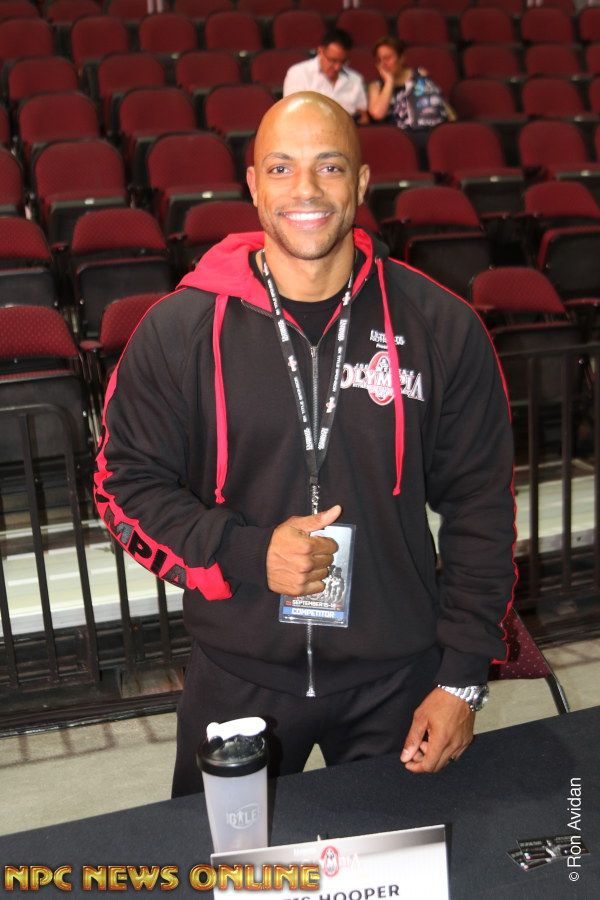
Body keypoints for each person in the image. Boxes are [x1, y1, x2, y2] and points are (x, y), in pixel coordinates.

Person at [94, 93, 515, 797]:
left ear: (362, 181)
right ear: (254, 185)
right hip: (238, 676)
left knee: (411, 855)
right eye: (282, 168)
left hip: (399, 678)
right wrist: (244, 552)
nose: (307, 190)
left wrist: (463, 679)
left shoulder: (441, 327)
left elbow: (481, 508)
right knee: (228, 860)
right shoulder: (179, 331)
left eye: (330, 166)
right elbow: (121, 485)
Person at [368, 37, 456, 162]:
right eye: (379, 60)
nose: (383, 64)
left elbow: (440, 103)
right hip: (406, 140)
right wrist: (389, 81)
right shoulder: (376, 86)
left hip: (437, 132)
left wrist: (453, 124)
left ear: (401, 58)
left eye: (387, 58)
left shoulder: (421, 75)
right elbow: (377, 113)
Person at [283, 28, 369, 124]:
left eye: (342, 62)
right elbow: (291, 113)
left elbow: (363, 115)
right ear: (320, 51)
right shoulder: (298, 73)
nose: (337, 67)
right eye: (333, 60)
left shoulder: (355, 79)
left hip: (348, 129)